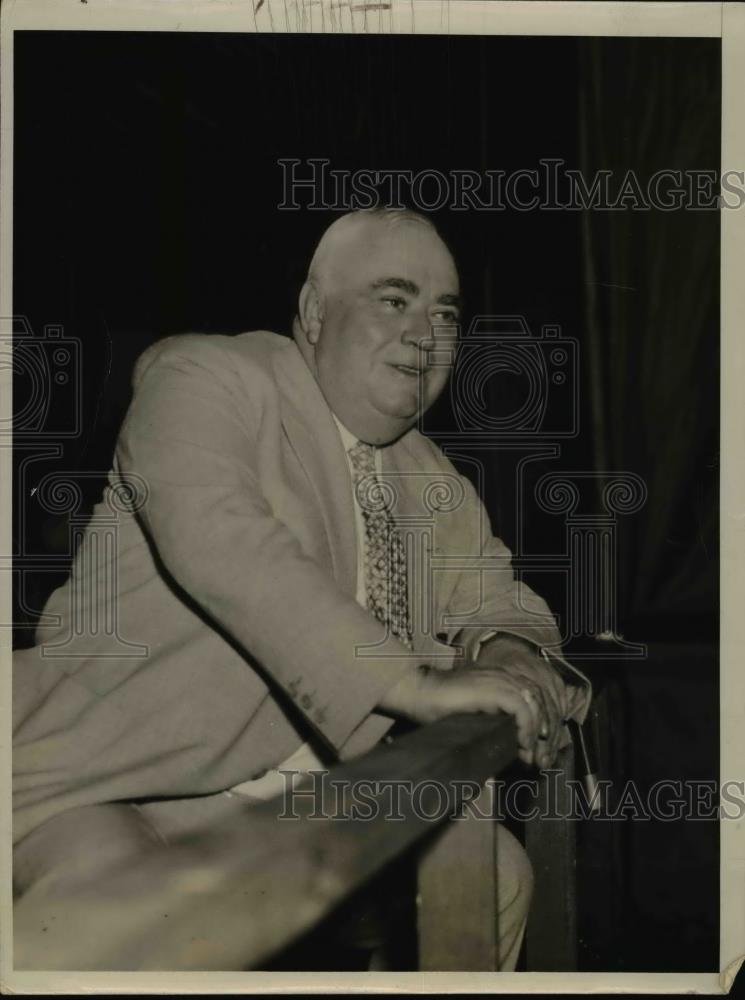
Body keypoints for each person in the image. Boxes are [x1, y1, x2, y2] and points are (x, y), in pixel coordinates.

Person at [13, 208, 590, 970]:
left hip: (306, 806)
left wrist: (511, 648)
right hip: (111, 781)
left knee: (491, 874)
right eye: (394, 298)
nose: (426, 333)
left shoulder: (429, 474)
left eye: (444, 312)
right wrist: (409, 684)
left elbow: (497, 594)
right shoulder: (206, 377)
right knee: (126, 919)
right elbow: (220, 541)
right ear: (315, 313)